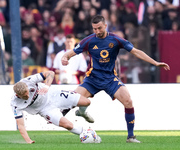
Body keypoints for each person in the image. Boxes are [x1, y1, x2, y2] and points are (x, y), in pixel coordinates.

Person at [61, 15, 170, 143]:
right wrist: (65, 58)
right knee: (71, 100)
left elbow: (136, 51)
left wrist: (155, 63)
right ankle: (57, 117)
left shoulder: (116, 39)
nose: (97, 31)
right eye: (94, 29)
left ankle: (130, 137)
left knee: (128, 101)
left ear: (105, 26)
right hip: (92, 79)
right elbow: (71, 53)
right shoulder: (89, 41)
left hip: (110, 79)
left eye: (99, 28)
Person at [10, 71, 101, 144]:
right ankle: (89, 135)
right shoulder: (15, 104)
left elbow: (50, 73)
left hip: (53, 94)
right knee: (67, 125)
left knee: (86, 102)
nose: (28, 95)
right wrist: (28, 140)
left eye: (28, 92)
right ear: (18, 95)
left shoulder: (28, 81)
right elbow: (20, 125)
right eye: (25, 96)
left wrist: (46, 86)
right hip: (45, 109)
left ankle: (82, 113)